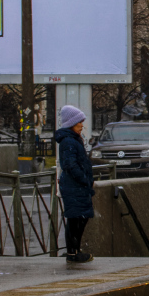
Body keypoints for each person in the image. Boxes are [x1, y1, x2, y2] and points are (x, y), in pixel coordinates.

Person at [55, 105, 95, 263]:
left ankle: (75, 251)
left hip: (76, 186)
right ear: (72, 123)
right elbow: (70, 165)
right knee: (76, 219)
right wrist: (84, 179)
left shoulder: (71, 140)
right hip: (74, 186)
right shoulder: (68, 142)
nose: (82, 125)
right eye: (79, 122)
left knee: (79, 218)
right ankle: (73, 253)